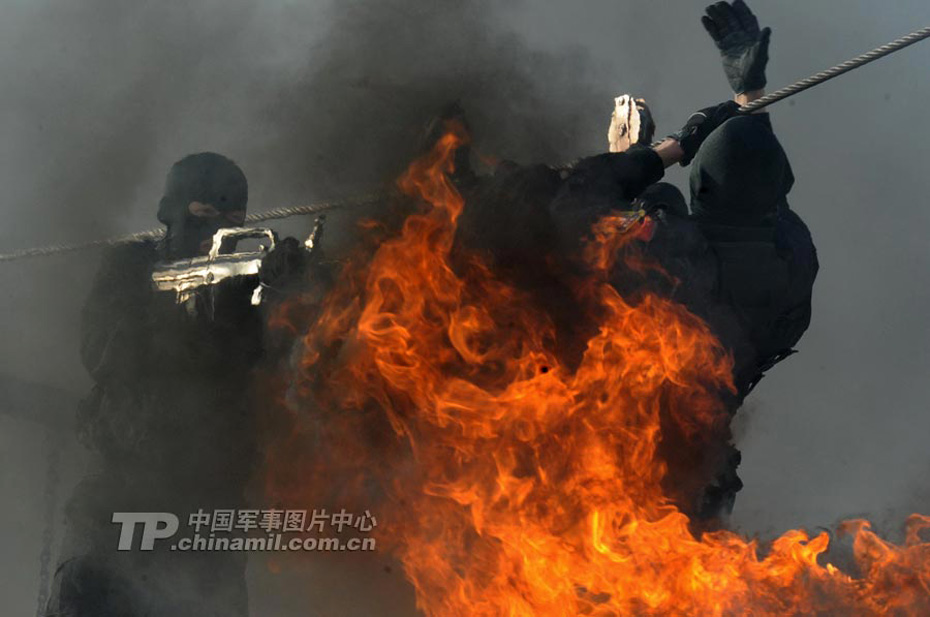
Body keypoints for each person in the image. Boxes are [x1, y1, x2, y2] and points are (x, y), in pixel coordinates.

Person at [46, 153, 308, 616]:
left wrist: (280, 296)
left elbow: (276, 366)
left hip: (205, 509)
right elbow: (101, 352)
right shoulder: (131, 265)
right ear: (171, 211)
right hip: (118, 500)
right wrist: (181, 312)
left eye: (233, 219)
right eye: (203, 213)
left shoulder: (241, 284)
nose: (216, 227)